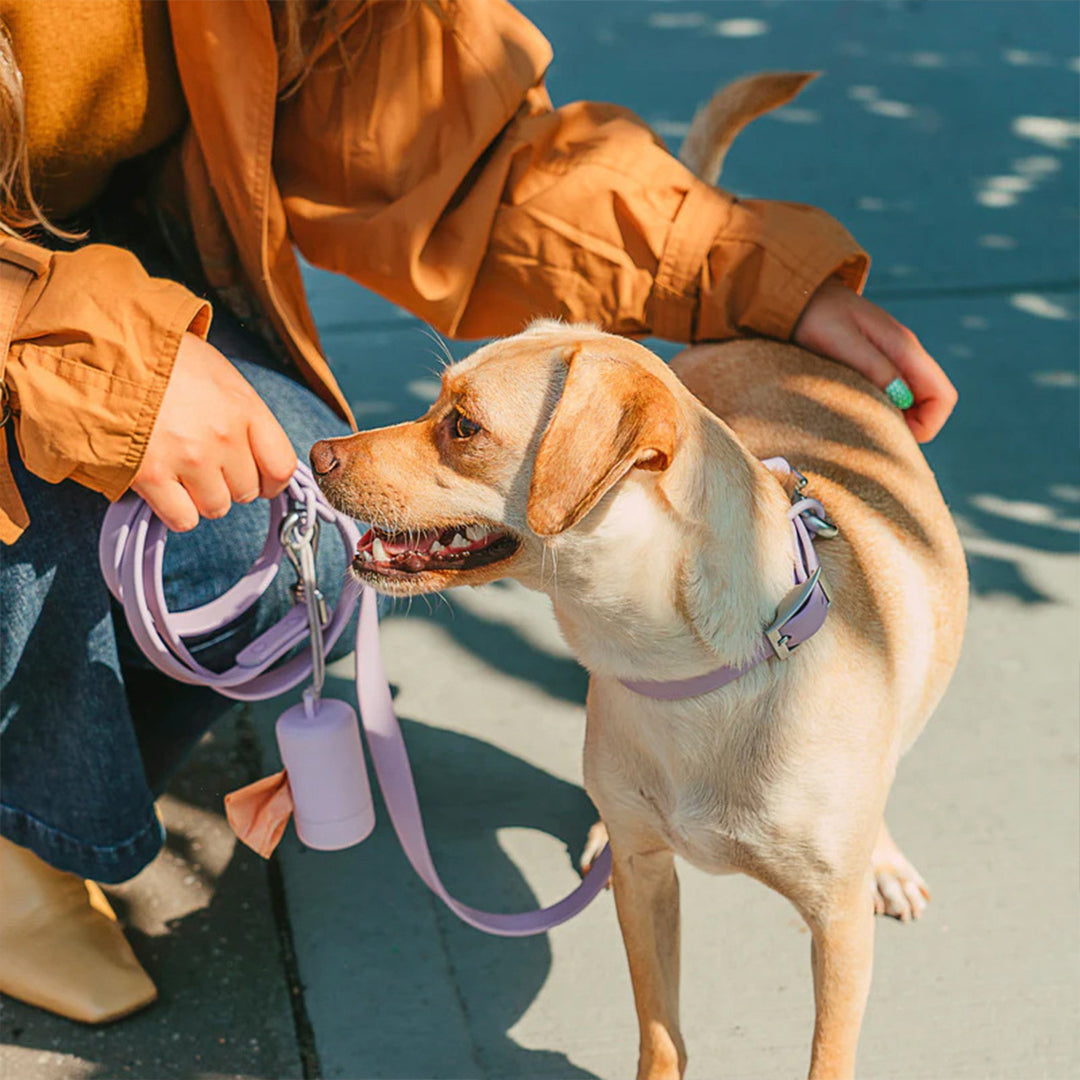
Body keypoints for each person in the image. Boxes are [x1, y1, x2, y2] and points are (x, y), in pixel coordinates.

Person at [0, 0, 956, 1025]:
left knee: (288, 526)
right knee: (196, 504)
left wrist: (742, 270)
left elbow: (451, 146)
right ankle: (26, 827)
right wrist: (83, 360)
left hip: (99, 257)